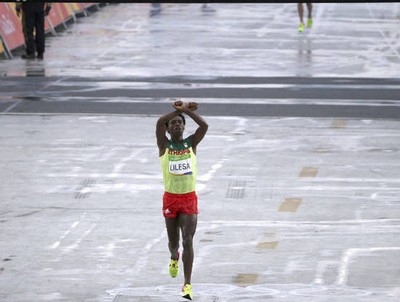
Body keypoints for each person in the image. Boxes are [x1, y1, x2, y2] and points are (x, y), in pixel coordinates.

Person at [156, 99, 208, 300]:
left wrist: (185, 110)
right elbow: (159, 122)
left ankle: (187, 285)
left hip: (188, 199)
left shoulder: (191, 143)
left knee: (188, 240)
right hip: (170, 199)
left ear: (184, 127)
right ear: (168, 130)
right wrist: (175, 111)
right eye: (173, 123)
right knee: (173, 243)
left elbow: (204, 126)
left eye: (180, 122)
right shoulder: (164, 146)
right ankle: (173, 257)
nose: (177, 124)